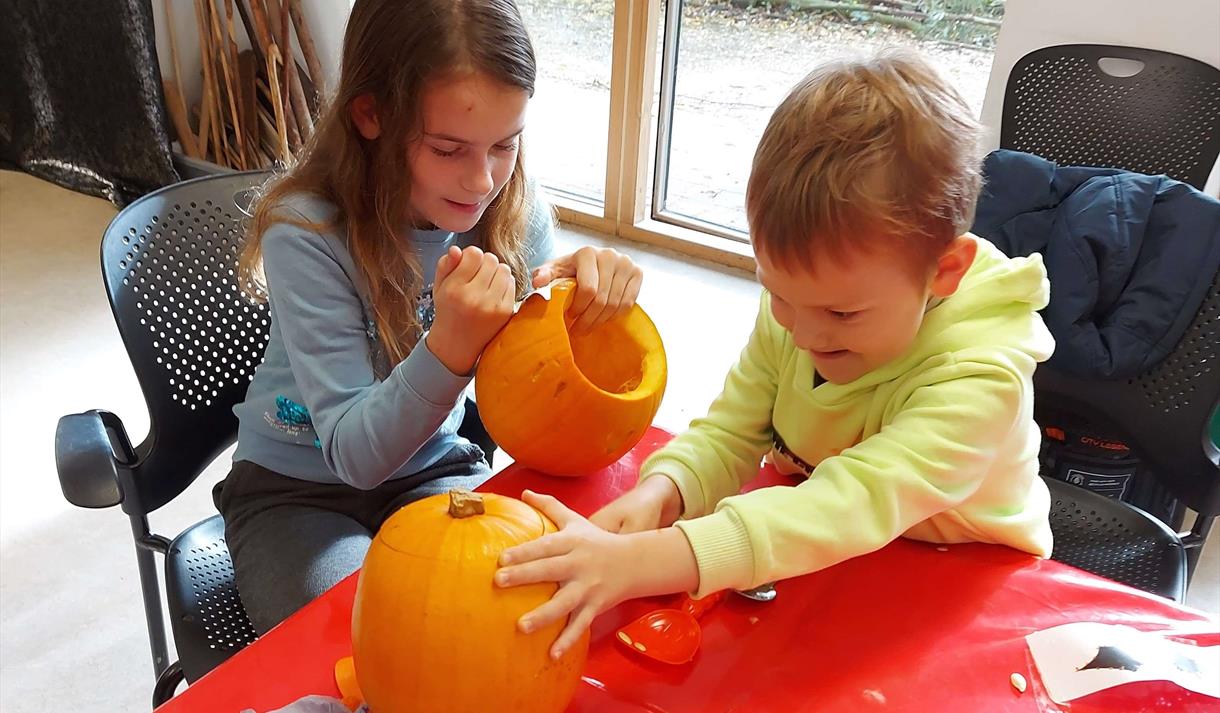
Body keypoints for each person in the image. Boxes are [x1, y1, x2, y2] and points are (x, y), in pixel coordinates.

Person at [495, 49, 1056, 660]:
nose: (806, 336)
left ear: (945, 272)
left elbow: (850, 505)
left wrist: (646, 563)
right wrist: (660, 496)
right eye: (779, 295)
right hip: (822, 549)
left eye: (842, 314)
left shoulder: (982, 380)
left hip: (970, 583)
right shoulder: (805, 305)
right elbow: (734, 431)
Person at [214, 0, 642, 633]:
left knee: (511, 621)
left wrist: (570, 316)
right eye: (448, 149)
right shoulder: (306, 232)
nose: (482, 180)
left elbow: (532, 402)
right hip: (293, 489)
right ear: (371, 116)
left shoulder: (513, 212)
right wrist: (451, 347)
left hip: (435, 467)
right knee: (379, 636)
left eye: (506, 144)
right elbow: (354, 456)